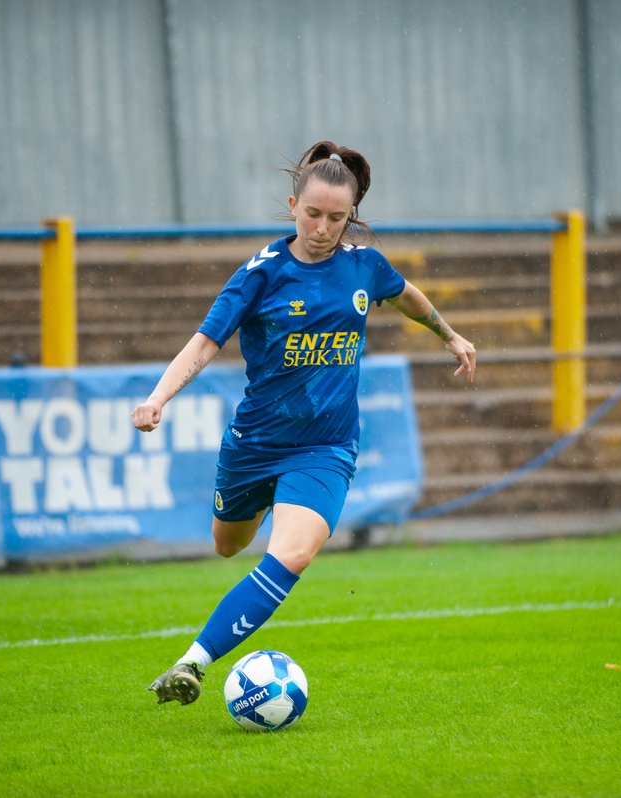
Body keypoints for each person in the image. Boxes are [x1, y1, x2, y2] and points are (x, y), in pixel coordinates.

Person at [133, 140, 476, 705]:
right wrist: (158, 398)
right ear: (293, 205)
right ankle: (261, 501)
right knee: (227, 545)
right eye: (312, 214)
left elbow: (406, 295)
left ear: (351, 218)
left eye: (336, 218)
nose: (322, 228)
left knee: (291, 553)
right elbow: (204, 343)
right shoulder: (261, 276)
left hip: (326, 447)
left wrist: (449, 333)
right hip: (255, 443)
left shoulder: (365, 265)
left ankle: (191, 664)